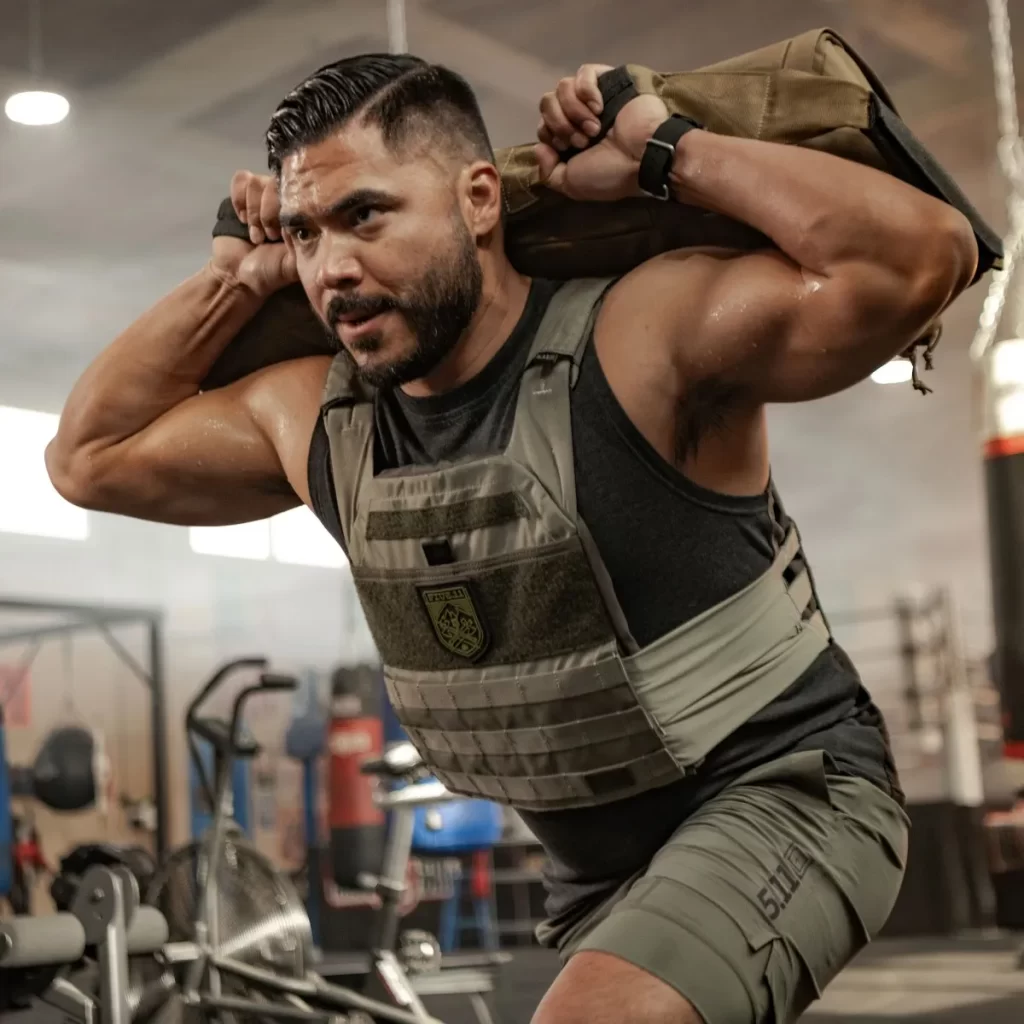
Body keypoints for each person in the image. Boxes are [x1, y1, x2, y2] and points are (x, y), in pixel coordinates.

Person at [47, 53, 977, 1024]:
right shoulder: (319, 422)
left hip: (791, 793)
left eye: (366, 215)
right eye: (306, 233)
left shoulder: (637, 340)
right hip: (597, 877)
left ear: (480, 199)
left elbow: (923, 254)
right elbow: (87, 459)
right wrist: (233, 280)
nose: (331, 268)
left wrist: (664, 147)